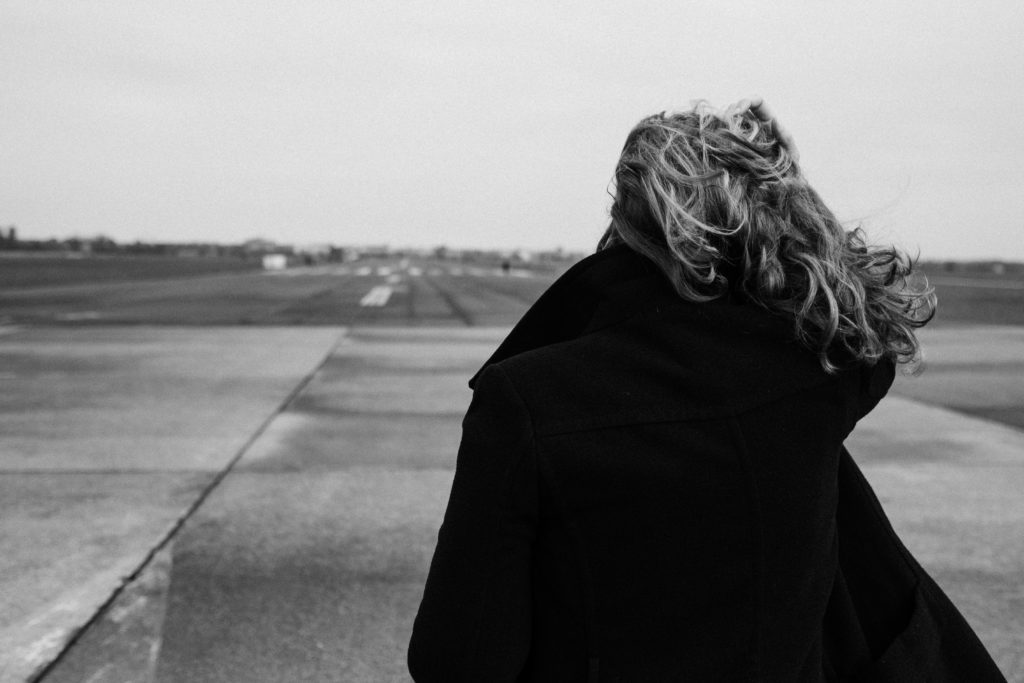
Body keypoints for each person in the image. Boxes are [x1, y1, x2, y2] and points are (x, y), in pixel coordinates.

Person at [407, 99, 1005, 681]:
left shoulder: (529, 397)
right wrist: (785, 200)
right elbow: (857, 325)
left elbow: (457, 659)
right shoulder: (825, 375)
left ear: (626, 221)